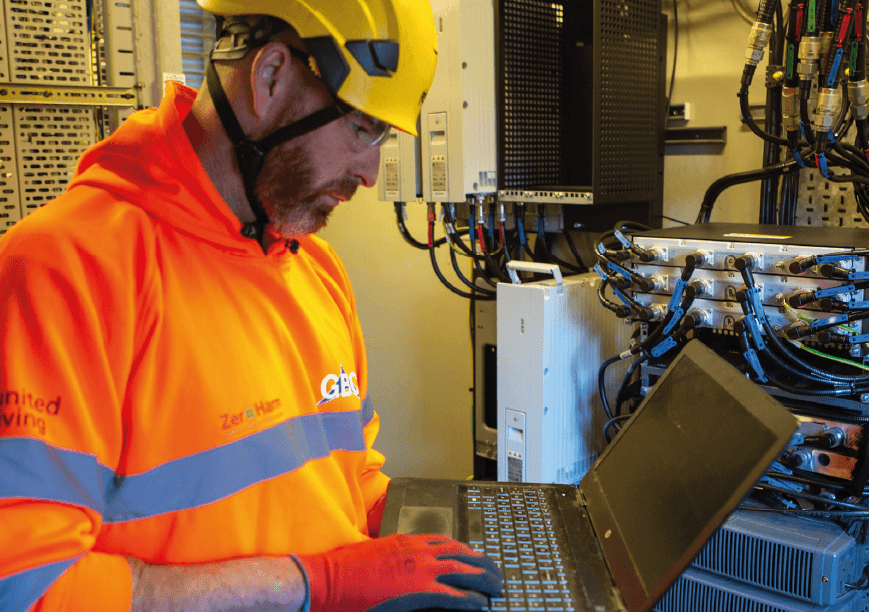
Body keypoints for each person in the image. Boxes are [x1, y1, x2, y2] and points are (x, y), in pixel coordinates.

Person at [0, 1, 502, 610]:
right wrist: (326, 584)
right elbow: (25, 586)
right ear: (269, 78)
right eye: (363, 129)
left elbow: (355, 476)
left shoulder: (316, 270)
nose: (371, 174)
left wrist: (420, 548)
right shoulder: (63, 271)